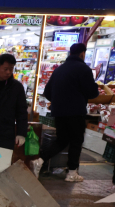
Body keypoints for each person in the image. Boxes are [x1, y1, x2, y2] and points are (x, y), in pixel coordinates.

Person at [35, 43, 99, 182]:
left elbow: (47, 92)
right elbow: (93, 93)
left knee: (62, 140)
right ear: (82, 53)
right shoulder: (84, 69)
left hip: (59, 112)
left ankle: (40, 160)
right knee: (76, 141)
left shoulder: (59, 69)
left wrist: (59, 102)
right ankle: (71, 172)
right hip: (76, 112)